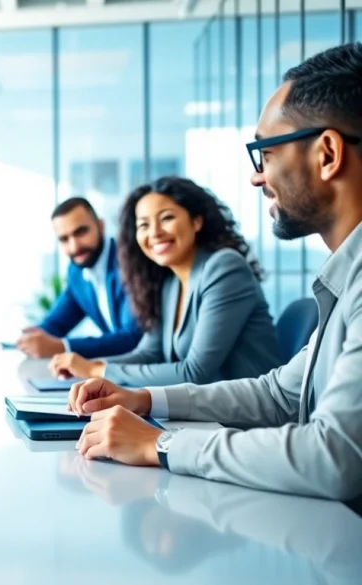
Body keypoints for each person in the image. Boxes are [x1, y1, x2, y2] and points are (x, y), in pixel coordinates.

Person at [68, 42, 362, 512]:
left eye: (264, 153)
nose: (257, 177)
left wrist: (160, 446)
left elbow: (335, 456)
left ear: (326, 154)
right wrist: (144, 399)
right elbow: (279, 393)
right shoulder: (345, 280)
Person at [49, 177, 281, 387]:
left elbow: (194, 373)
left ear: (196, 221)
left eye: (166, 218)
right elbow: (149, 353)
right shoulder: (170, 282)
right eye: (144, 225)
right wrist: (89, 366)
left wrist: (95, 370)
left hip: (246, 421)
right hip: (202, 414)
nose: (155, 233)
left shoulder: (224, 268)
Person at [17, 197, 142, 359]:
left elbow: (132, 338)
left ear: (101, 226)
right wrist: (32, 336)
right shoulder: (76, 271)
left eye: (81, 232)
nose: (74, 246)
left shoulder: (129, 263)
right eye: (64, 239)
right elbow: (57, 322)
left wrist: (62, 347)